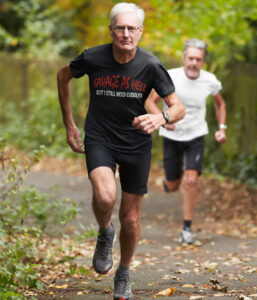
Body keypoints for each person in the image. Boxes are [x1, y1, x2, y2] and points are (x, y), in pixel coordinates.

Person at [57, 3, 185, 299]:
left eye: (131, 28)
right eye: (120, 28)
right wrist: (70, 125)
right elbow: (62, 77)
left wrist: (161, 117)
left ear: (140, 32)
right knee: (105, 195)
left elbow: (178, 107)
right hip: (100, 137)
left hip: (136, 144)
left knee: (130, 218)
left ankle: (124, 272)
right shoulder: (93, 57)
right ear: (111, 30)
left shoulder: (151, 66)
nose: (125, 33)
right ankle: (104, 231)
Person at [145, 38, 227, 245]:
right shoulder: (170, 76)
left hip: (196, 135)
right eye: (190, 58)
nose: (193, 63)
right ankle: (169, 182)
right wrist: (163, 120)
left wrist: (221, 128)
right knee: (174, 185)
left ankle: (187, 228)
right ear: (184, 58)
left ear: (203, 61)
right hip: (172, 136)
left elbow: (220, 105)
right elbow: (149, 102)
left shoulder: (210, 80)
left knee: (191, 180)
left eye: (198, 59)